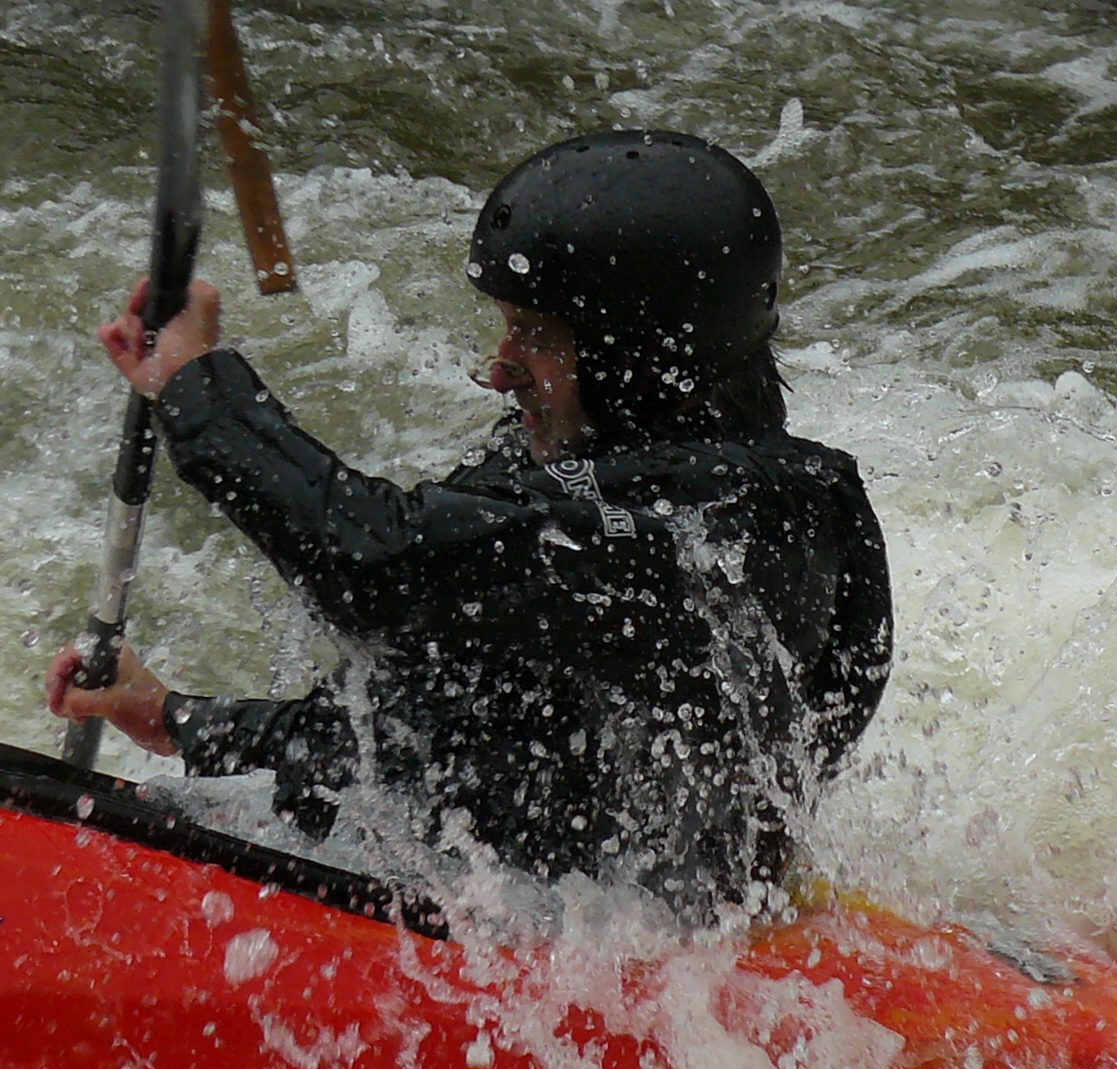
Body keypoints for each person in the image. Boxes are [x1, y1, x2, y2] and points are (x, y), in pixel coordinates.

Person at [48, 128, 894, 923]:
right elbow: (443, 729)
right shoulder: (614, 476)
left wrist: (195, 385)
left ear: (635, 359)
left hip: (607, 955)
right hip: (558, 907)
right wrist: (176, 719)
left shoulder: (677, 538)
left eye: (534, 335)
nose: (498, 369)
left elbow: (372, 563)